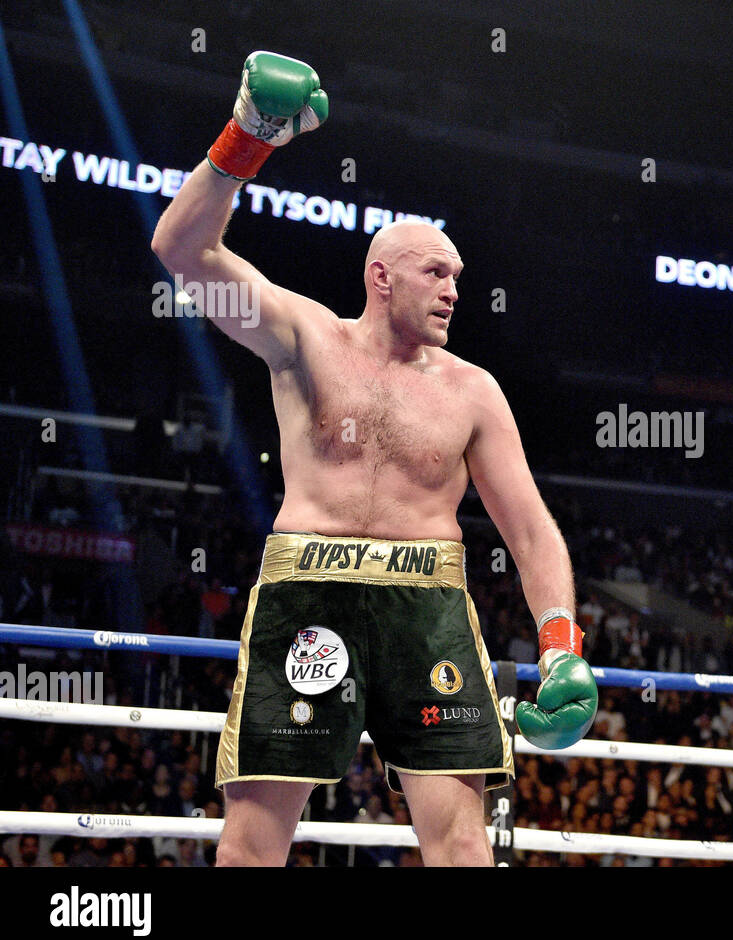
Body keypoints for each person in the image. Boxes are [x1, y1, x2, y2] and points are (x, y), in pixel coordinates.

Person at [151, 51, 598, 867]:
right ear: (381, 277)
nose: (455, 290)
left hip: (426, 601)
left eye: (459, 277)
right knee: (253, 837)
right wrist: (248, 137)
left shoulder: (473, 391)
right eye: (437, 272)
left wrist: (562, 644)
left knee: (462, 839)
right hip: (307, 588)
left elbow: (530, 529)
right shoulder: (302, 338)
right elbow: (182, 251)